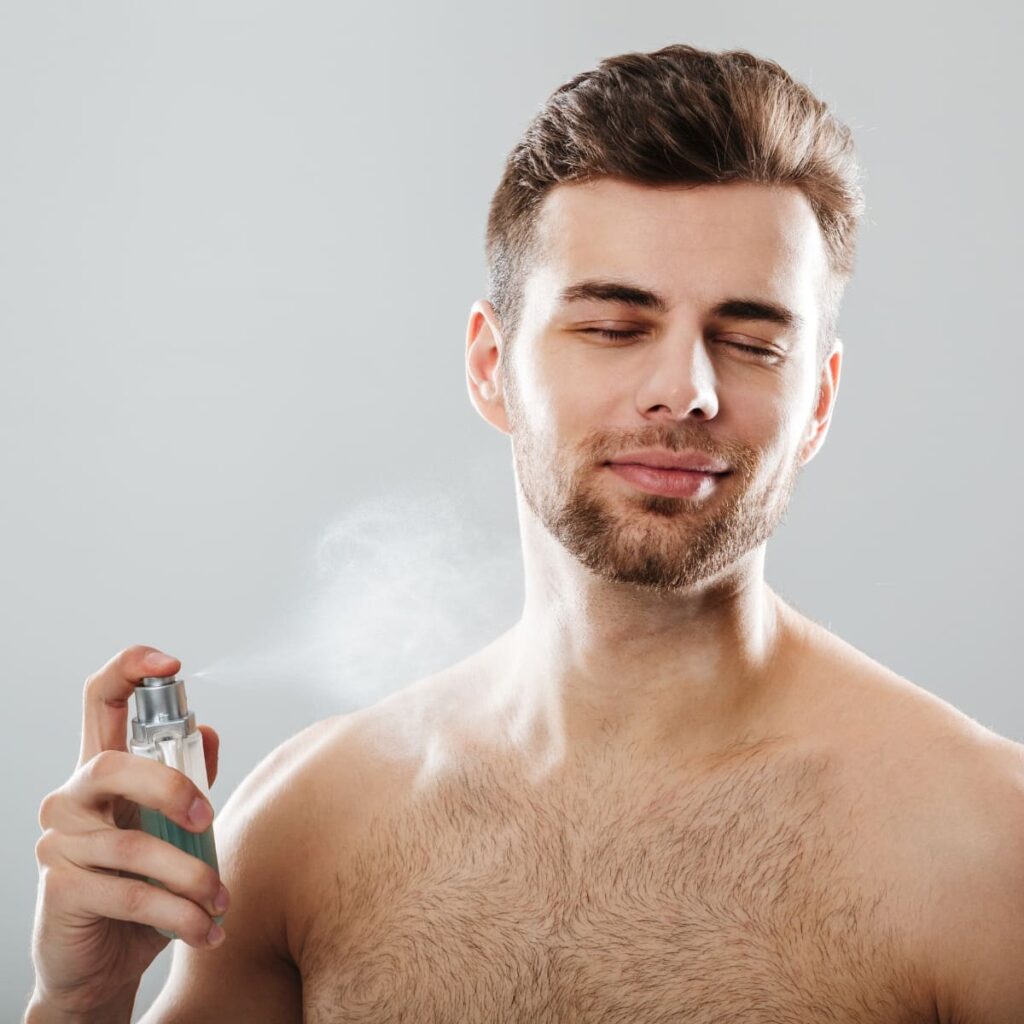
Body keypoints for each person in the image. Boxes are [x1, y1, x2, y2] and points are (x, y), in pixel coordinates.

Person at [27, 43, 1024, 1024]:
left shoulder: (985, 848)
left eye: (752, 341)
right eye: (612, 327)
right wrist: (86, 999)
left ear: (818, 402)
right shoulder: (302, 829)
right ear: (489, 365)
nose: (687, 388)